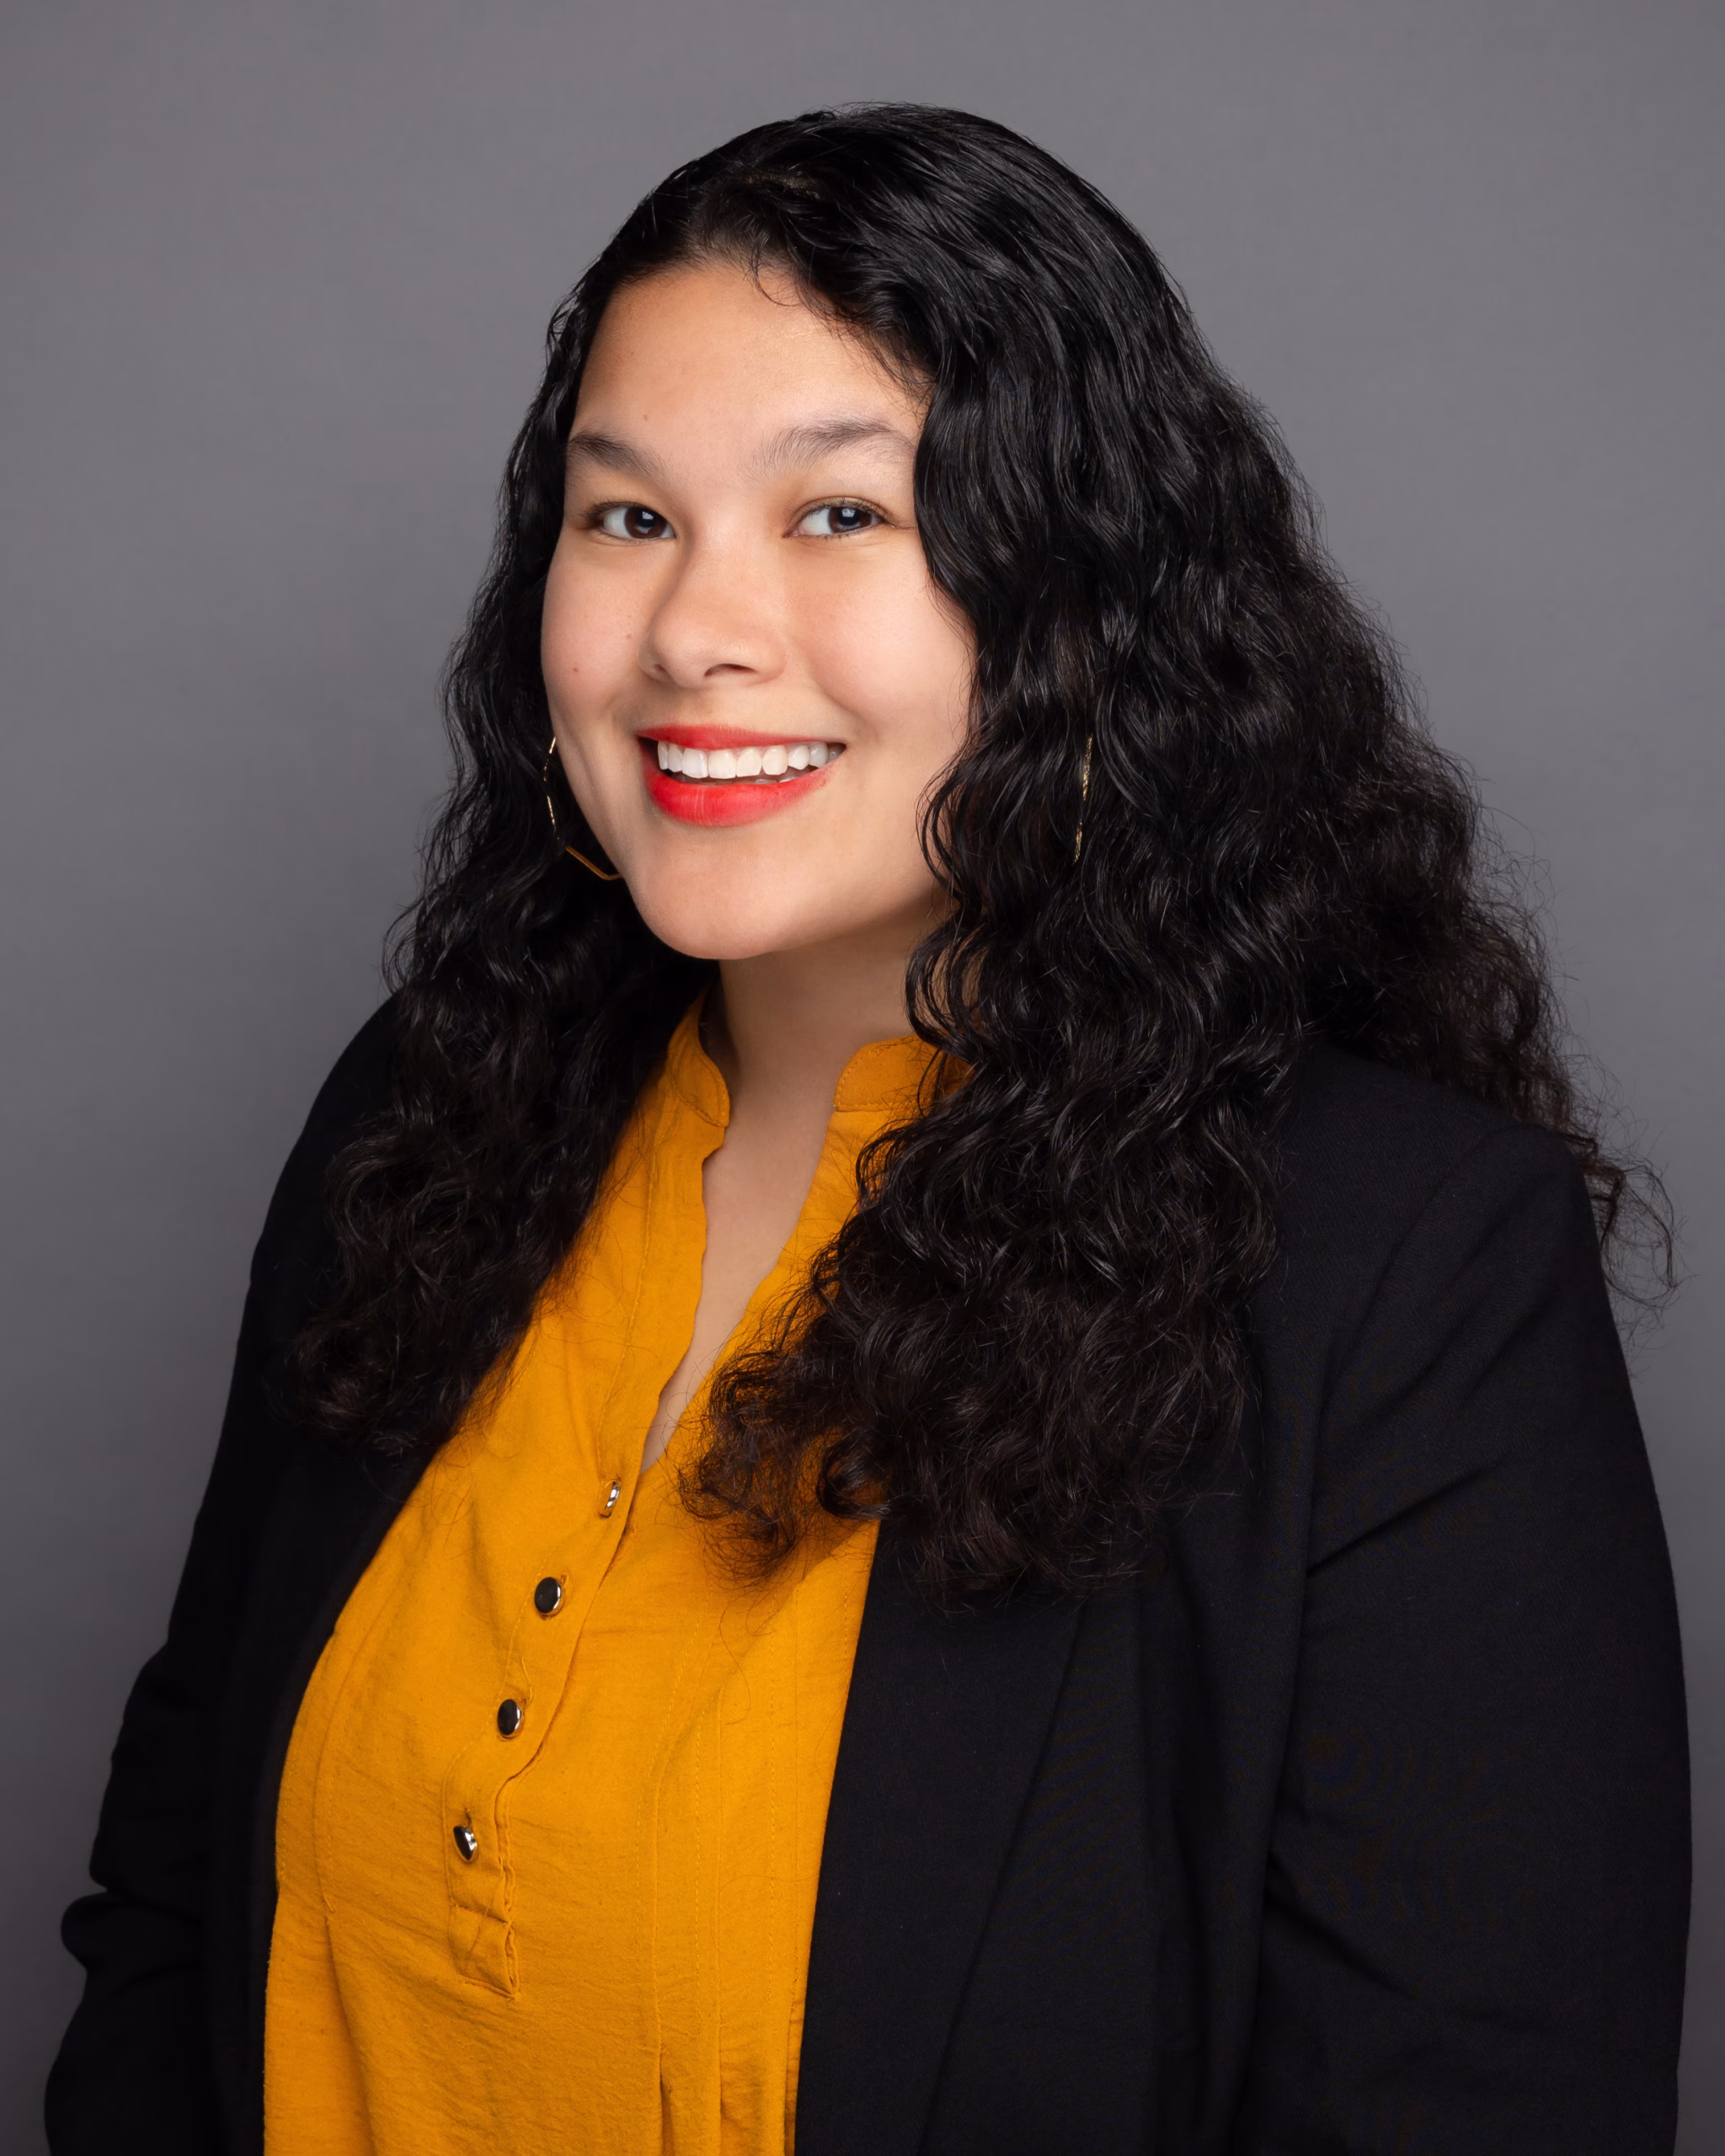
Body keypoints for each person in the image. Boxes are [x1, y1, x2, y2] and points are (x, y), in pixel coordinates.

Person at [47, 104, 1689, 2156]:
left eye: (838, 512)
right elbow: (179, 1892)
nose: (691, 632)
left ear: (1083, 601)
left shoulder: (1404, 1271)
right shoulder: (427, 1110)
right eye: (624, 515)